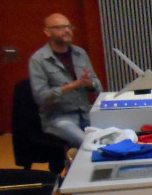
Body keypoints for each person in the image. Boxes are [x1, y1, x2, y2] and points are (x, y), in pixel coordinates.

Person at [29, 12, 103, 147]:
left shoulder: (80, 53)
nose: (67, 30)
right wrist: (73, 85)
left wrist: (90, 83)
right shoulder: (38, 60)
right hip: (58, 118)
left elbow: (98, 86)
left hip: (86, 113)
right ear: (47, 32)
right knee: (89, 143)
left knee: (112, 136)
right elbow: (41, 97)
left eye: (69, 27)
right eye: (60, 27)